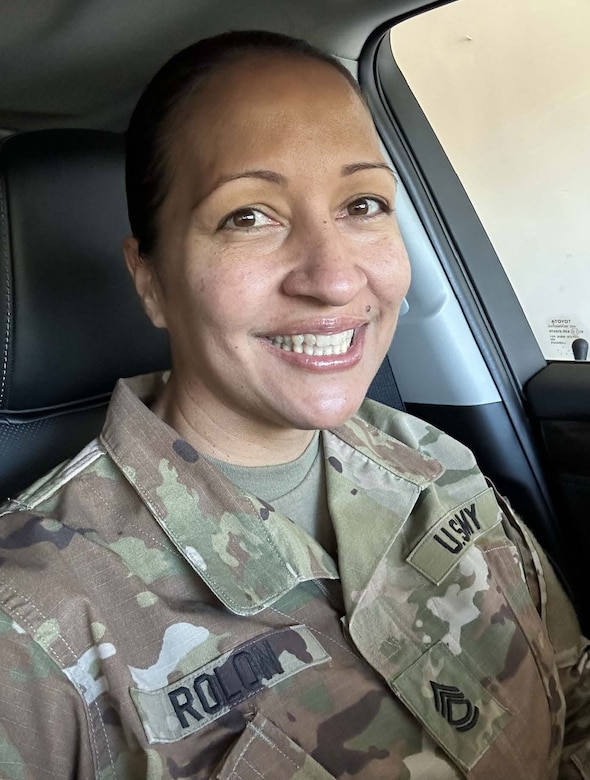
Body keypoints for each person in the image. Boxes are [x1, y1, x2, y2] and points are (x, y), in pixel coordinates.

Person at [0, 30, 589, 780]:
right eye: (249, 216)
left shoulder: (433, 464)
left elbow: (575, 691)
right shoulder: (31, 628)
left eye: (363, 204)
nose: (334, 279)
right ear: (149, 279)